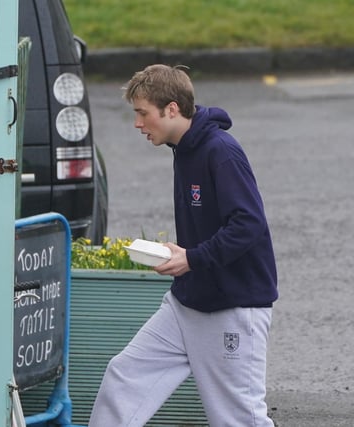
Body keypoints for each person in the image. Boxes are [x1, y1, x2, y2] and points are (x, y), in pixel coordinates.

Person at [88, 64, 278, 427]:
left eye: (143, 113)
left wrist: (192, 258)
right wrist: (188, 260)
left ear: (171, 109)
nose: (137, 124)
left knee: (237, 419)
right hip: (186, 303)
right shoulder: (185, 148)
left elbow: (249, 223)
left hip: (233, 307)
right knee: (123, 378)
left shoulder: (221, 151)